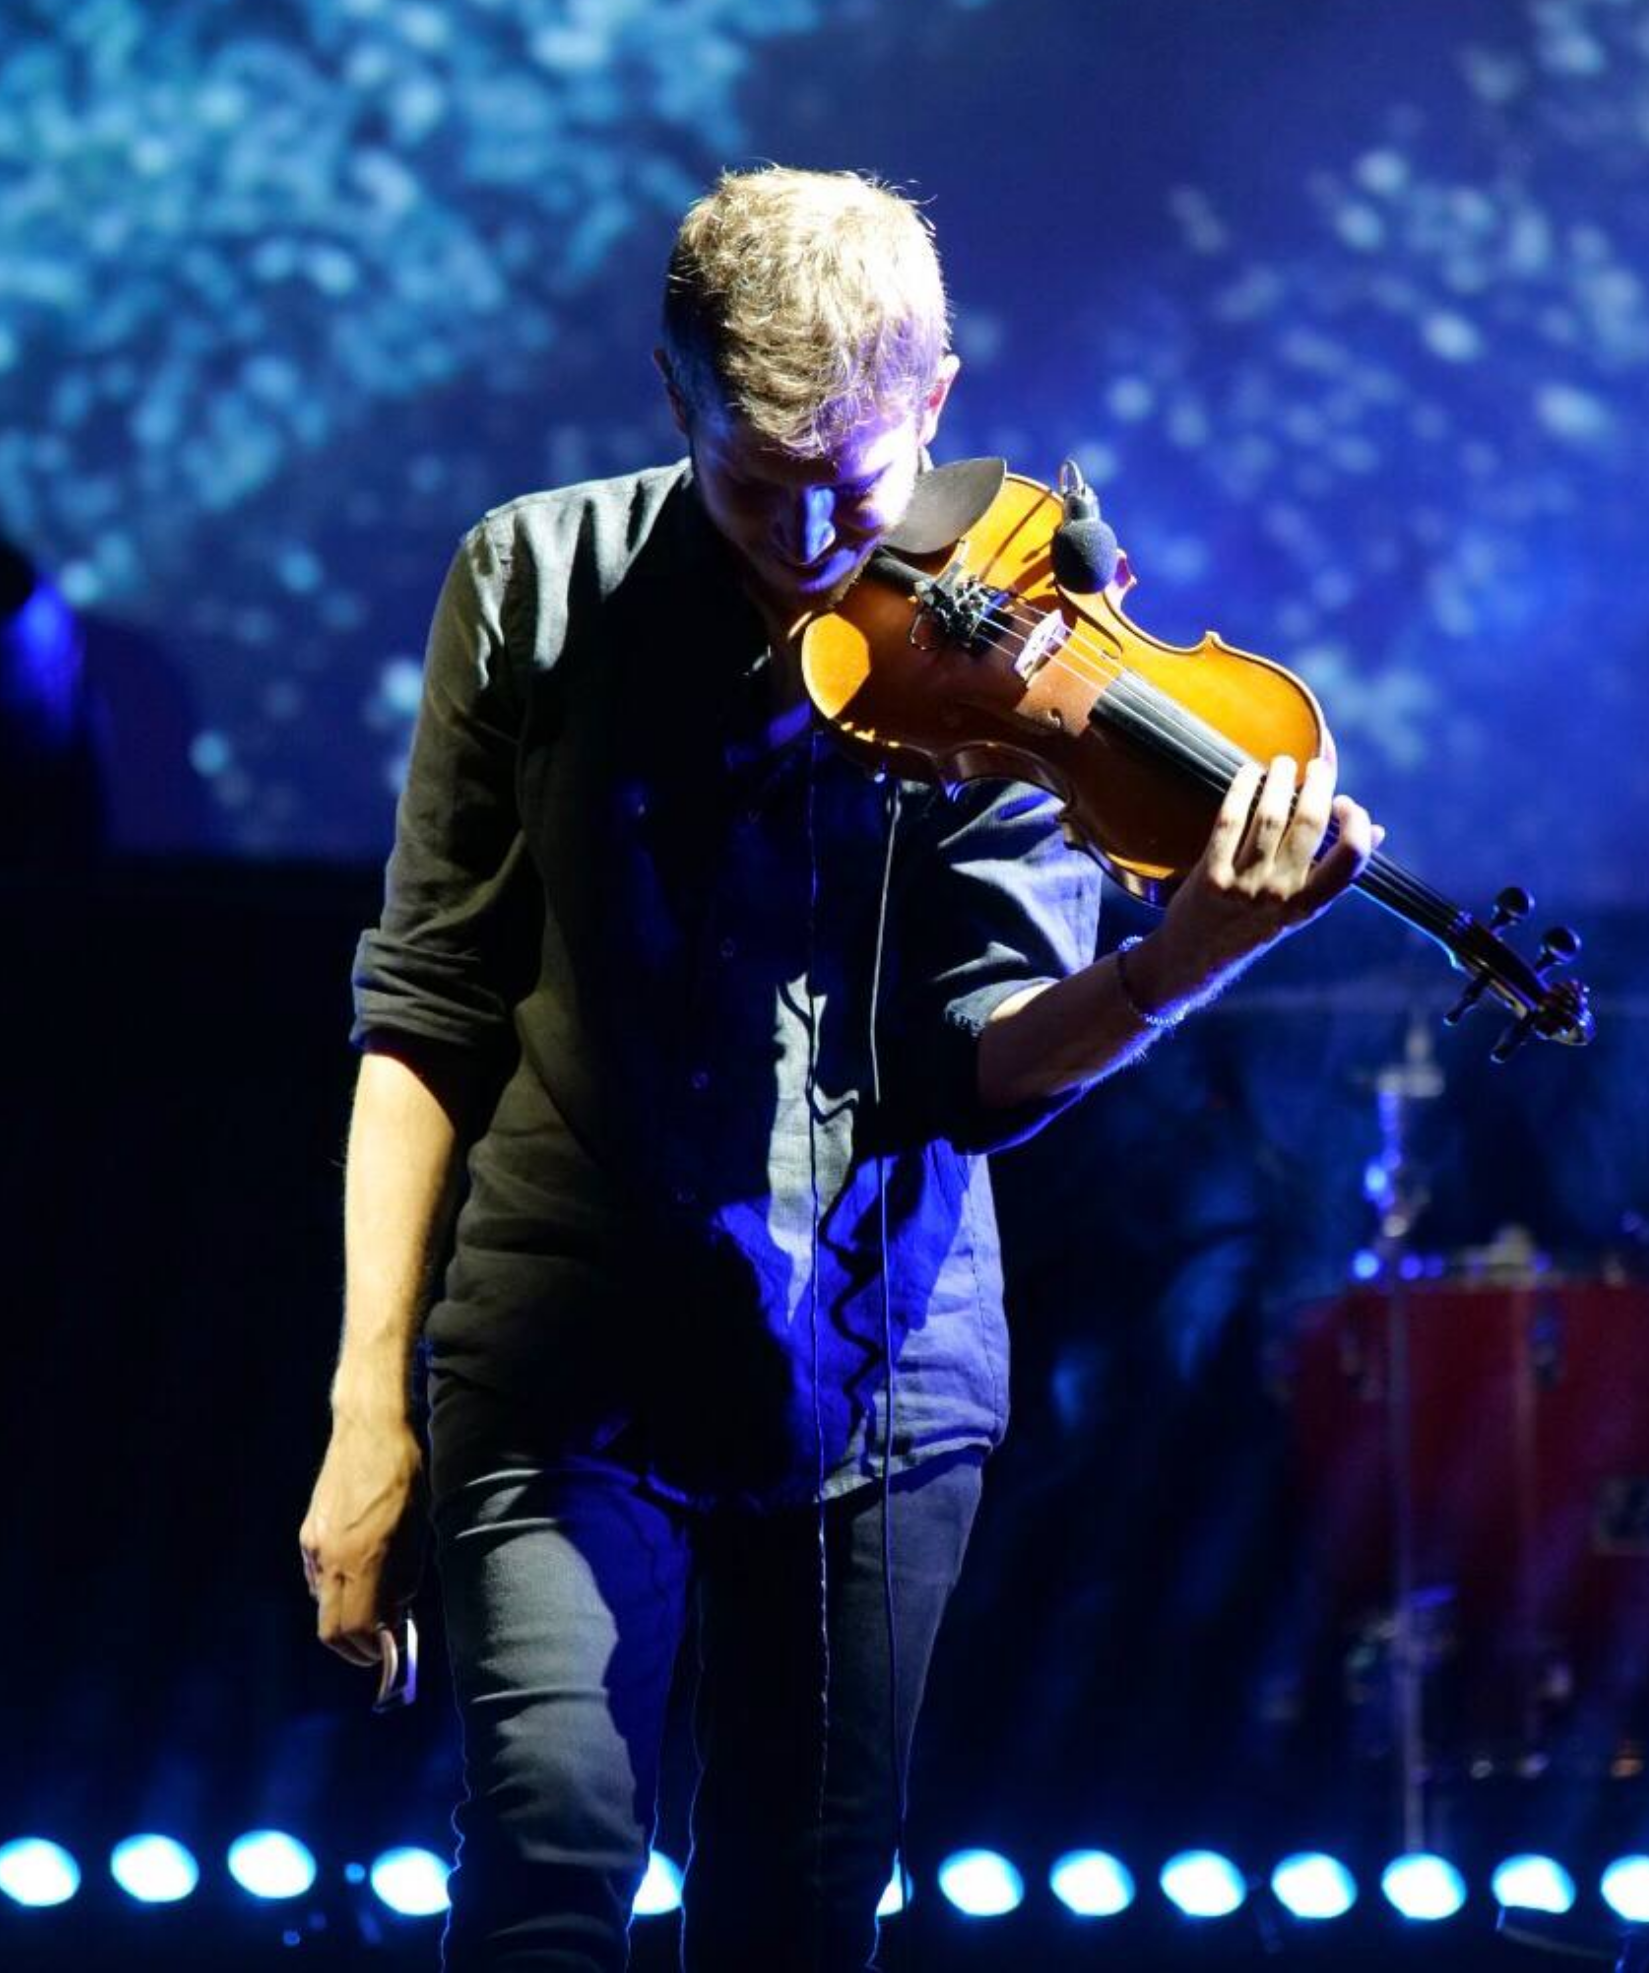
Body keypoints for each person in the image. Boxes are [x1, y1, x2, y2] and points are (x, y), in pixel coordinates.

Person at [297, 166, 1382, 1972]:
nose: (808, 541)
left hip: (876, 1373)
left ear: (936, 398)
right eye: (756, 485)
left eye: (857, 489)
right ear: (672, 395)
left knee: (797, 1919)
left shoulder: (1016, 641)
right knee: (547, 1860)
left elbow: (975, 1070)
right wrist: (365, 1407)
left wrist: (1174, 965)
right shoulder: (530, 582)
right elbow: (426, 1004)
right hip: (561, 1346)